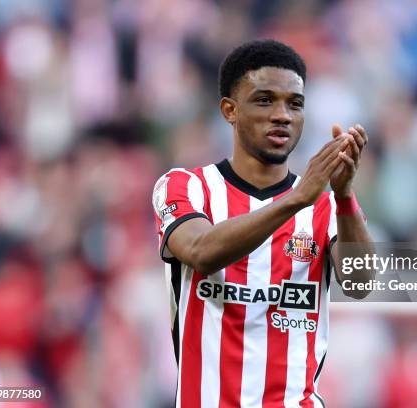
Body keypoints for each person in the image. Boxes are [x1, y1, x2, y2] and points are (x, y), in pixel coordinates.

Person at [152, 39, 373, 408]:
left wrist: (346, 197)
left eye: (295, 104)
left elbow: (361, 282)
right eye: (264, 100)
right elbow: (200, 252)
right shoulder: (186, 186)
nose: (282, 115)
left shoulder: (325, 203)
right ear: (229, 110)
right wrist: (296, 200)